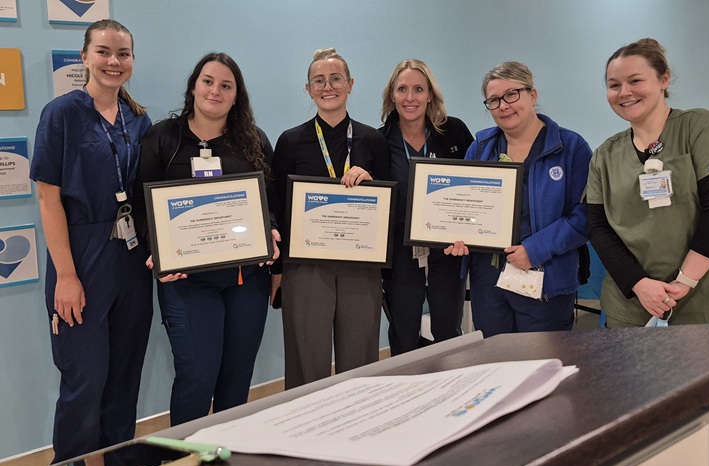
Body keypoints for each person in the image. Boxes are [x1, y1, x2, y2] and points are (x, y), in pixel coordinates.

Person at [133, 53, 280, 425]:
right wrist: (157, 252)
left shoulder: (254, 141)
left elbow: (270, 203)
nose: (216, 91)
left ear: (236, 96)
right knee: (196, 377)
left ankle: (227, 455)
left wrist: (271, 231)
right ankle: (185, 457)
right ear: (194, 86)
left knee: (237, 378)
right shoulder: (163, 138)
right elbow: (142, 207)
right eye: (208, 81)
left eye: (226, 86)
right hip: (187, 282)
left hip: (247, 281)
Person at [30, 19, 152, 463]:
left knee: (124, 378)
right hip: (81, 256)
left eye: (123, 53)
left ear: (132, 60)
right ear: (84, 57)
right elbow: (48, 200)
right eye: (103, 51)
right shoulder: (60, 114)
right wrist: (66, 276)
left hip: (131, 259)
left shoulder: (139, 120)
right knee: (84, 382)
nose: (113, 61)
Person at [585, 38, 709, 327]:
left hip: (706, 301)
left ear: (664, 79)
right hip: (632, 306)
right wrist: (639, 284)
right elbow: (597, 227)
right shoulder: (605, 154)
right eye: (614, 85)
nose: (624, 92)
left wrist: (683, 282)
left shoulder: (700, 127)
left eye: (635, 81)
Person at [445, 61, 591, 336]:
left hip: (545, 275)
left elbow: (584, 217)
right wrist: (457, 233)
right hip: (489, 281)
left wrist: (534, 250)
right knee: (496, 355)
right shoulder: (480, 148)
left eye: (511, 94)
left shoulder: (571, 148)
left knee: (543, 358)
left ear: (532, 95)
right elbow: (465, 205)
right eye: (494, 100)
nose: (503, 106)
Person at [272, 48, 389, 389]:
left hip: (360, 264)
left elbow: (389, 203)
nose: (328, 87)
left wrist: (371, 184)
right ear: (308, 89)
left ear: (350, 84)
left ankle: (358, 418)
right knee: (306, 363)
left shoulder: (373, 139)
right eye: (319, 81)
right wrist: (277, 272)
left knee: (360, 362)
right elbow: (277, 206)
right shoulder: (290, 141)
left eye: (336, 79)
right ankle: (306, 419)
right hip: (307, 267)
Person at [378, 59, 473, 355]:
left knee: (449, 331)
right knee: (404, 334)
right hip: (401, 253)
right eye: (402, 89)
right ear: (392, 95)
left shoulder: (454, 132)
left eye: (419, 89)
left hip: (448, 249)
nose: (410, 98)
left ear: (430, 94)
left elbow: (474, 184)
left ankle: (451, 384)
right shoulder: (379, 141)